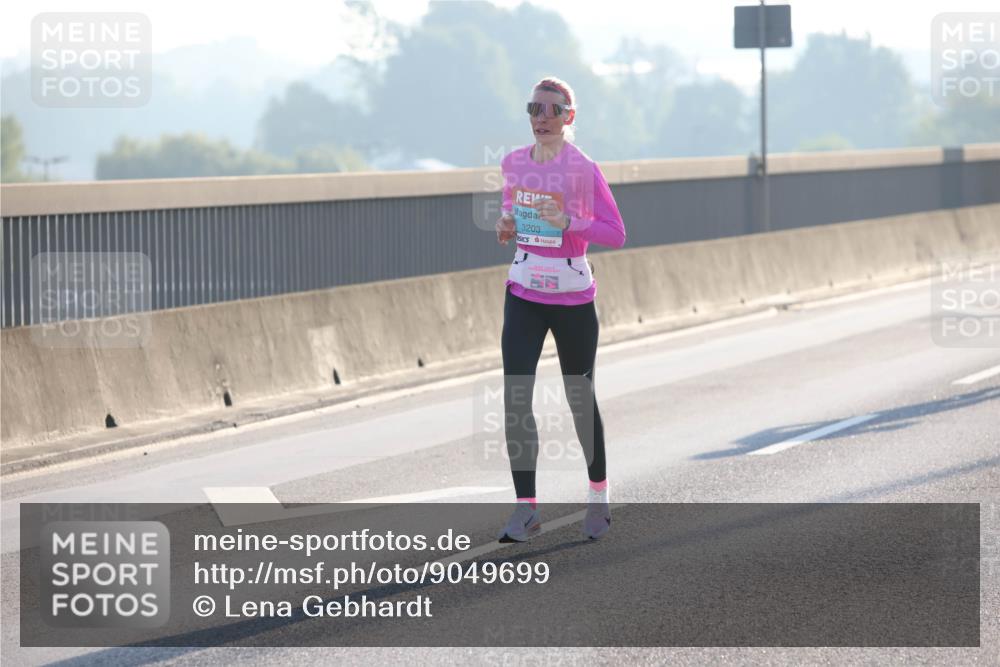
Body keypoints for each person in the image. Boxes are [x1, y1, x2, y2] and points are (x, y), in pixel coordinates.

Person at [494, 76, 626, 542]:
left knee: (579, 398)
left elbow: (615, 232)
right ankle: (525, 510)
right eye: (534, 109)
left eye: (552, 110)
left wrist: (570, 221)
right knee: (515, 397)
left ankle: (598, 496)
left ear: (569, 117)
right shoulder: (512, 163)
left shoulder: (583, 168)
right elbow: (513, 210)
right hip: (525, 290)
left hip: (572, 297)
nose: (541, 118)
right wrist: (507, 223)